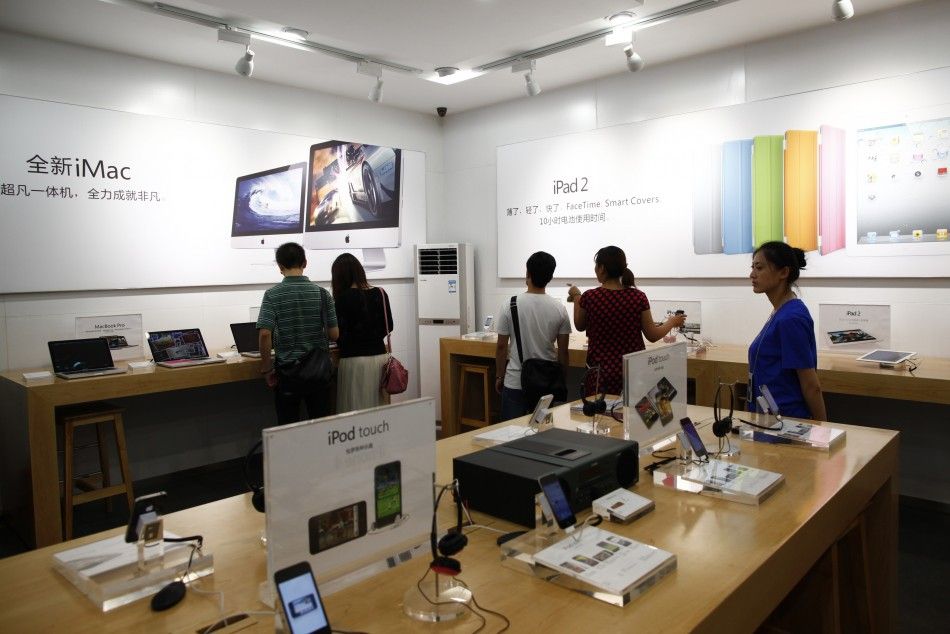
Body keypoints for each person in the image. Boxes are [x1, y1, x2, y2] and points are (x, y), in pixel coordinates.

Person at [568, 246, 685, 397]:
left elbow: (579, 325)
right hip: (633, 372)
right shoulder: (638, 297)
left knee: (600, 416)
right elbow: (652, 335)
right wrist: (672, 322)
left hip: (599, 374)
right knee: (633, 417)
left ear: (602, 268)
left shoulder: (590, 297)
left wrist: (577, 296)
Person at [257, 242, 339, 424]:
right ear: (305, 263)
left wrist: (266, 368)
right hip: (318, 373)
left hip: (288, 375)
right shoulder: (322, 294)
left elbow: (264, 335)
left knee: (288, 427)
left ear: (280, 267)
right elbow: (334, 334)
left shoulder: (272, 295)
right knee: (320, 426)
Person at [748, 241, 827, 420]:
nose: (752, 274)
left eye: (759, 268)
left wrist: (823, 430)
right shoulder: (781, 312)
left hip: (787, 422)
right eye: (753, 267)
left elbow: (811, 385)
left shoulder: (791, 318)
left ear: (783, 272)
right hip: (771, 420)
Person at [494, 251, 571, 420]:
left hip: (515, 381)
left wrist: (500, 375)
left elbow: (501, 347)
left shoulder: (510, 305)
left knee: (510, 436)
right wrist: (562, 381)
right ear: (550, 277)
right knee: (542, 435)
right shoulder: (560, 309)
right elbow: (564, 352)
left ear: (527, 274)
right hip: (547, 383)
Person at [331, 253, 394, 413]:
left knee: (354, 411)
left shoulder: (341, 299)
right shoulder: (380, 292)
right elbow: (389, 326)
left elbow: (337, 334)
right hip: (380, 358)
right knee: (379, 411)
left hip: (353, 362)